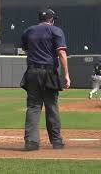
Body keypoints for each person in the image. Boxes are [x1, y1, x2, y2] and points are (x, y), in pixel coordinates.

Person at [20, 8, 71, 151]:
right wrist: (66, 74)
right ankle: (56, 141)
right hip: (49, 71)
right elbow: (61, 52)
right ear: (52, 19)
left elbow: (26, 49)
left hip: (32, 71)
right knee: (51, 106)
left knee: (33, 106)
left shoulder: (28, 31)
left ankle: (31, 141)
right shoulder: (56, 31)